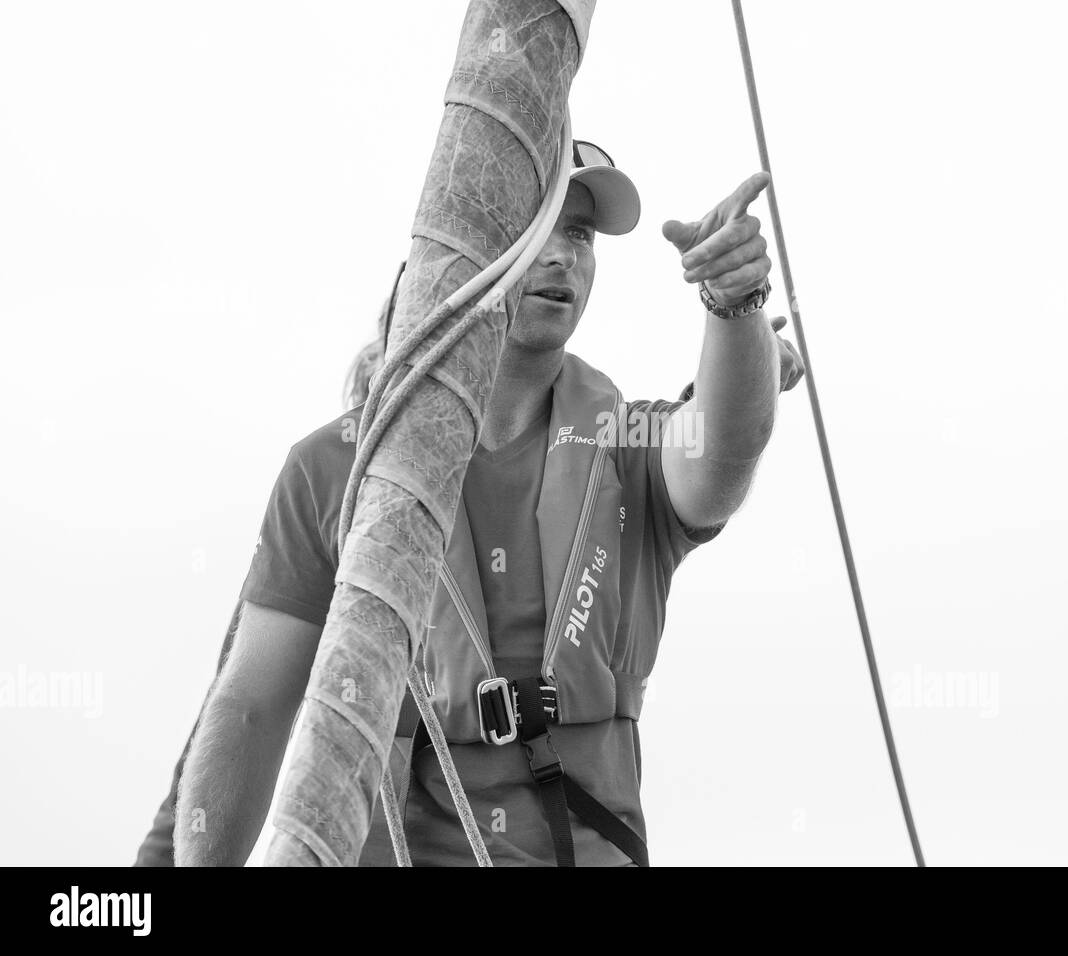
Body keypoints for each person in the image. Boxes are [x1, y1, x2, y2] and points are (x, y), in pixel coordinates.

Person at [149, 139, 804, 866]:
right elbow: (250, 708)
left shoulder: (628, 445)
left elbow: (724, 450)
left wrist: (732, 303)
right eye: (539, 225)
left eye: (581, 234)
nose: (563, 255)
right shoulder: (333, 469)